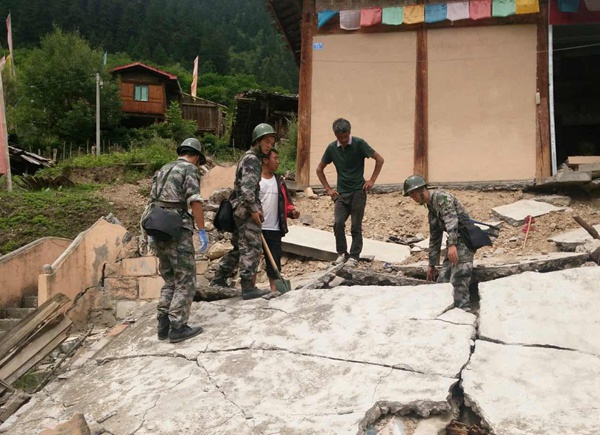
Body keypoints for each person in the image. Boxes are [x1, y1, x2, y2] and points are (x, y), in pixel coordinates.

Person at [144, 138, 209, 343]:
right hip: (176, 228)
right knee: (185, 278)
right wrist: (202, 230)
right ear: (196, 157)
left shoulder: (163, 169)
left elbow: (151, 200)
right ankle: (178, 326)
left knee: (170, 278)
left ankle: (163, 324)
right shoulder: (189, 169)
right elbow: (195, 200)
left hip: (157, 226)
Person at [210, 123, 277, 300]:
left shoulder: (247, 157)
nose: (269, 145)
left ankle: (219, 278)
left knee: (240, 248)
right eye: (267, 142)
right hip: (246, 210)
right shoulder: (253, 160)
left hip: (240, 209)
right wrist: (254, 210)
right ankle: (248, 287)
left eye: (272, 143)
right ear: (258, 140)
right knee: (252, 248)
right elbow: (248, 190)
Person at [316, 118, 384, 267]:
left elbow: (379, 159)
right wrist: (328, 189)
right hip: (341, 193)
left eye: (345, 137)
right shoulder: (332, 148)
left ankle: (354, 256)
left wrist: (372, 180)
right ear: (335, 136)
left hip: (358, 192)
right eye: (340, 138)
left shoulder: (360, 144)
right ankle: (342, 253)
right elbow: (319, 169)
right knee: (338, 223)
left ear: (350, 132)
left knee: (355, 226)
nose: (344, 140)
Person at [403, 174, 474, 310]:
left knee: (459, 278)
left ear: (422, 190)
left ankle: (463, 311)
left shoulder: (441, 197)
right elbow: (435, 237)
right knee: (443, 280)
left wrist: (452, 244)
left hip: (464, 240)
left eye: (413, 194)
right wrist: (432, 264)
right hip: (454, 242)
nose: (413, 198)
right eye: (410, 196)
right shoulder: (431, 208)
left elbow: (451, 220)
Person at [258, 148, 300, 293]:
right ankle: (250, 289)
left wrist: (291, 211)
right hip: (257, 228)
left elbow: (286, 202)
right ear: (265, 160)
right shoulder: (256, 180)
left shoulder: (279, 181)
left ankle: (275, 290)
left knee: (274, 261)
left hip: (274, 228)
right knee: (251, 260)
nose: (278, 161)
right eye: (275, 158)